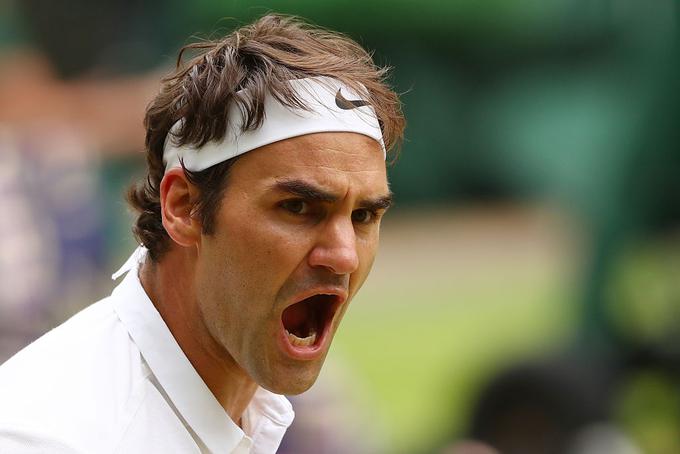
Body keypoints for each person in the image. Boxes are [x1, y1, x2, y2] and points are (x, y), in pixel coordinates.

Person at [0, 13, 405, 454]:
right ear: (183, 207)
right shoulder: (50, 438)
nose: (344, 256)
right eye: (297, 207)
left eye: (364, 216)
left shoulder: (266, 404)